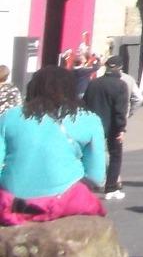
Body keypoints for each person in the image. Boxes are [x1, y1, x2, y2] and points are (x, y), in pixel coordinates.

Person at [0, 65, 108, 224]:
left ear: (32, 87)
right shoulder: (90, 119)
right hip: (63, 202)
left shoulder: (9, 117)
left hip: (13, 203)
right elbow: (96, 177)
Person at [82, 60, 130, 201]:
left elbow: (84, 103)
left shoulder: (93, 83)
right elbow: (120, 110)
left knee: (88, 154)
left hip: (92, 124)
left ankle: (85, 185)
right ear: (120, 68)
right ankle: (111, 188)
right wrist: (121, 128)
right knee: (115, 155)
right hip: (113, 126)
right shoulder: (121, 85)